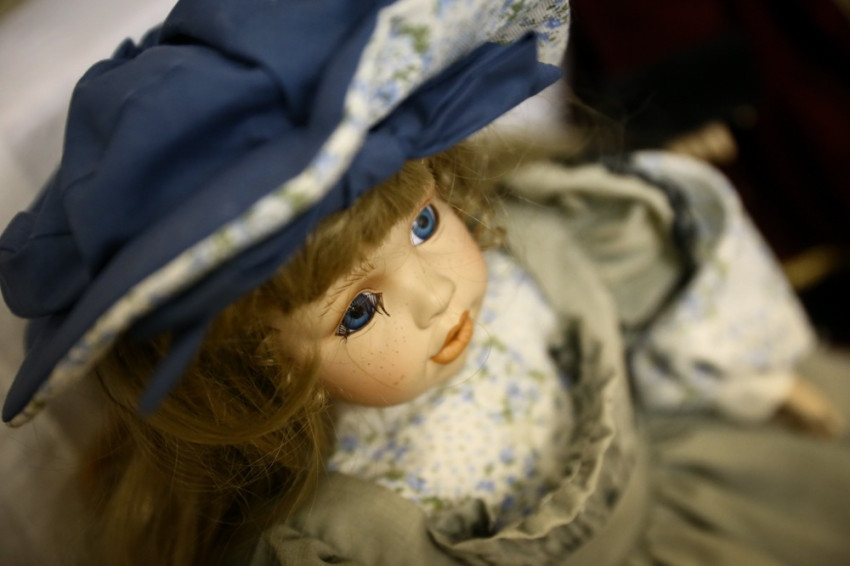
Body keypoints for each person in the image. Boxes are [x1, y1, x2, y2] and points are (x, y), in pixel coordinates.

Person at [1, 1, 849, 565]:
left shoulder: (543, 252)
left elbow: (661, 289)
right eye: (357, 311)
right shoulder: (342, 525)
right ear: (263, 364)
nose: (434, 294)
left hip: (711, 497)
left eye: (424, 225)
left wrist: (750, 377)